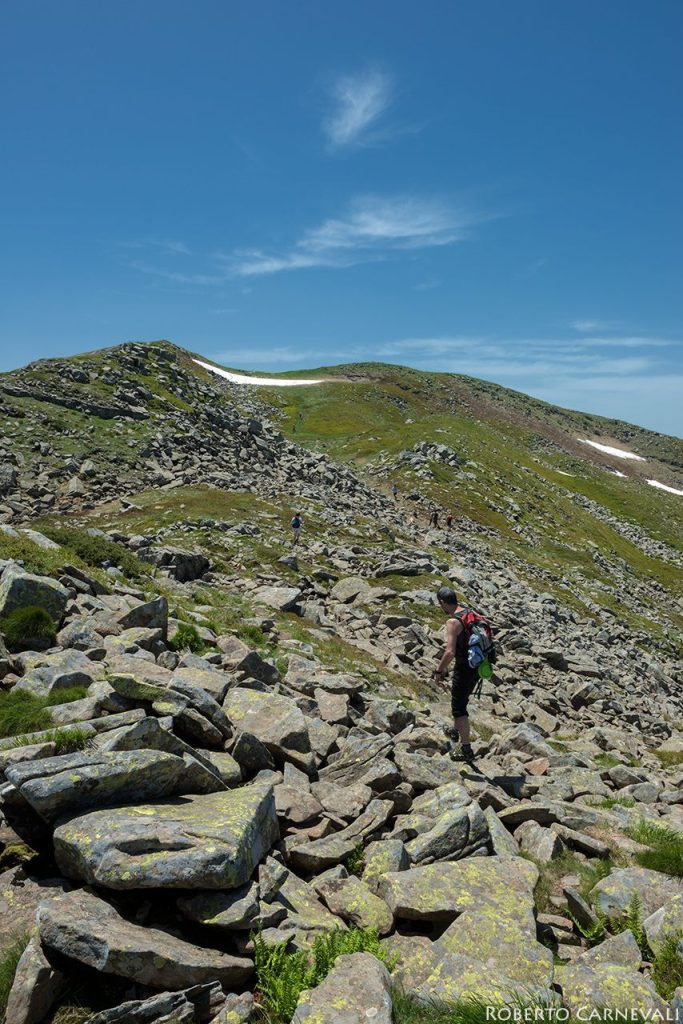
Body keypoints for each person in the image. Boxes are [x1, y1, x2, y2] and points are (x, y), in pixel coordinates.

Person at [432, 585, 477, 763]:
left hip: (464, 667)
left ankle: (466, 748)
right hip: (477, 666)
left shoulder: (452, 622)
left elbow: (449, 652)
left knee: (458, 708)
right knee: (462, 699)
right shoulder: (468, 612)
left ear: (443, 602)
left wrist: (439, 670)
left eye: (440, 604)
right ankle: (456, 730)